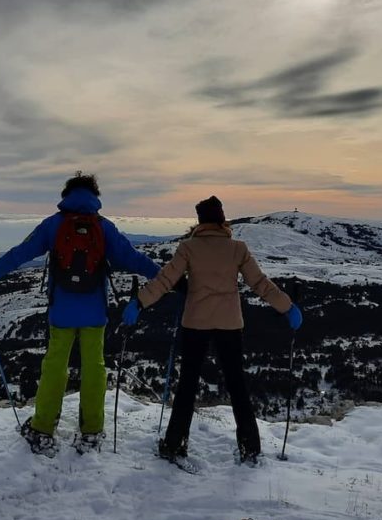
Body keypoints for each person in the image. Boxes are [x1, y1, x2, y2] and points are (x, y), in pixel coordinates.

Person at [0, 172, 161, 454]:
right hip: (94, 312)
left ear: (66, 195)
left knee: (55, 365)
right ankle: (91, 431)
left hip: (61, 311)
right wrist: (170, 277)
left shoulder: (53, 225)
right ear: (95, 197)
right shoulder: (103, 227)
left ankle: (43, 428)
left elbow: (18, 255)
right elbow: (135, 259)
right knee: (94, 367)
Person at [122, 195, 302, 464]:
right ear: (221, 220)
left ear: (199, 222)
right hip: (230, 325)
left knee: (187, 386)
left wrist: (139, 303)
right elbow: (260, 284)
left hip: (195, 323)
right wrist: (287, 307)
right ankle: (250, 447)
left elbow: (165, 280)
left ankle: (174, 444)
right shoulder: (238, 248)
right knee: (237, 385)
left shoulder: (188, 248)